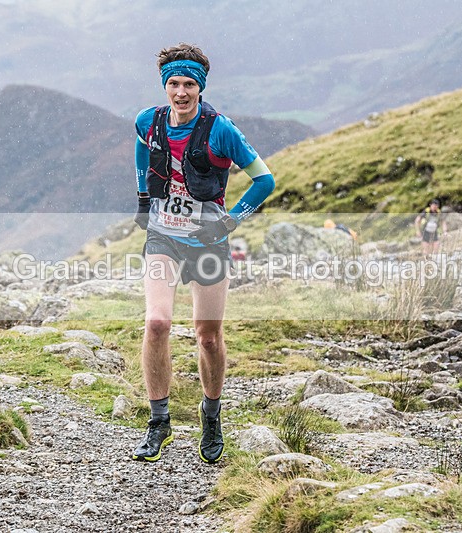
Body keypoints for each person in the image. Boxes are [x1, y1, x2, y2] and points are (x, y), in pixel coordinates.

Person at [131, 43, 275, 462]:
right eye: (173, 83)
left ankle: (211, 416)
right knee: (157, 322)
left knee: (207, 337)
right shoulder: (149, 121)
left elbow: (264, 181)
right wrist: (144, 200)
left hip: (209, 242)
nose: (180, 92)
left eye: (189, 84)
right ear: (165, 85)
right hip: (163, 236)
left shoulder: (220, 130)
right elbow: (142, 149)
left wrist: (230, 222)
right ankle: (159, 421)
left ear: (201, 87)